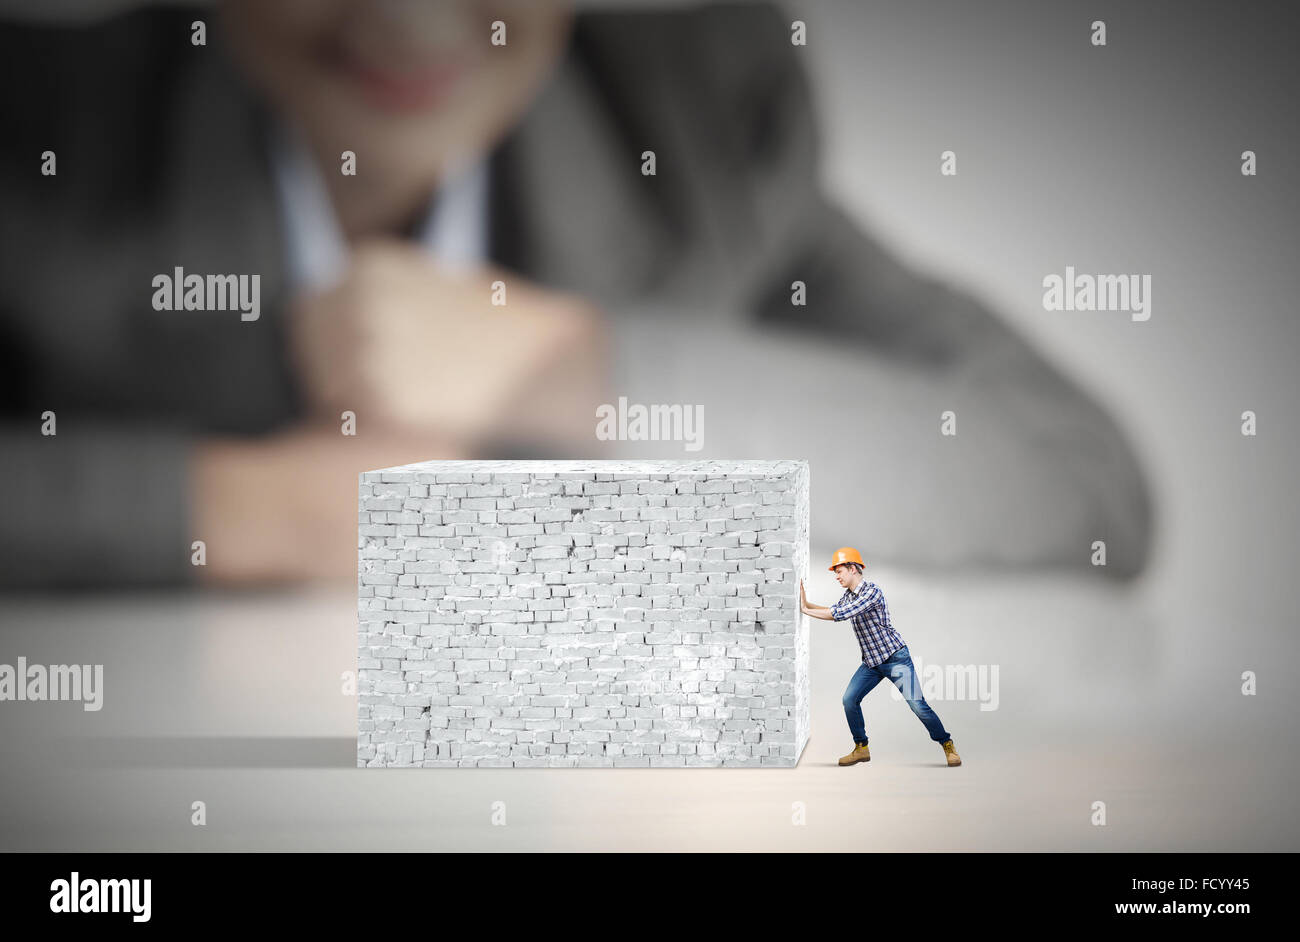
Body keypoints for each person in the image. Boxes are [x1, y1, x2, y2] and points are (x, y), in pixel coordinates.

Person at [0, 1, 1153, 590]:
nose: (414, 21)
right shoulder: (45, 129)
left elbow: (1077, 476)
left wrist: (563, 363)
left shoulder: (692, 130)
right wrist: (241, 512)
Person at [800, 547, 962, 768]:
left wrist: (805, 610)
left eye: (839, 571)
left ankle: (947, 744)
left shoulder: (871, 592)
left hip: (895, 658)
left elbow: (840, 614)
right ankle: (861, 748)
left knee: (918, 706)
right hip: (872, 663)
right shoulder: (848, 596)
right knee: (849, 700)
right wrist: (805, 604)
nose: (836, 576)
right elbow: (833, 609)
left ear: (853, 568)